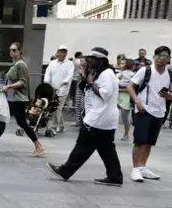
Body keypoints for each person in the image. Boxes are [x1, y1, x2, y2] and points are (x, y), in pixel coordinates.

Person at [46, 47, 123, 186]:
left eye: (92, 59)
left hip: (99, 118)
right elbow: (84, 88)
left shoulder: (107, 74)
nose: (89, 61)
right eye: (89, 58)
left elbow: (105, 94)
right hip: (101, 118)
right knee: (106, 149)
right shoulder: (97, 73)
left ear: (101, 60)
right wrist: (84, 76)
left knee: (83, 145)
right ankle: (115, 176)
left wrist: (91, 82)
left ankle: (66, 170)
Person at [0, 42, 46, 156]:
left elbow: (22, 82)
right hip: (12, 98)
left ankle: (39, 146)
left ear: (20, 51)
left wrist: (9, 87)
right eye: (11, 50)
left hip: (18, 99)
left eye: (14, 50)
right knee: (5, 120)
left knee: (19, 122)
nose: (12, 52)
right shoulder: (15, 64)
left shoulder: (21, 65)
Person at [127, 45, 172, 182]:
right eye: (158, 56)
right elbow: (130, 86)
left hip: (160, 111)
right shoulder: (145, 70)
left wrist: (169, 96)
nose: (161, 59)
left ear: (168, 59)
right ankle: (135, 169)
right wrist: (137, 101)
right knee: (140, 140)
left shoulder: (171, 74)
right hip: (144, 109)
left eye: (165, 56)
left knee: (149, 142)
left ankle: (143, 167)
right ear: (154, 57)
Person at [43, 46, 73, 133]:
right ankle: (62, 125)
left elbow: (69, 76)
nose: (62, 54)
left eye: (64, 52)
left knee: (57, 108)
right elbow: (48, 73)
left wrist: (63, 84)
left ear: (66, 54)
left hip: (62, 90)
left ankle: (54, 126)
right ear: (57, 52)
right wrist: (47, 82)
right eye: (60, 52)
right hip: (52, 89)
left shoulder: (69, 64)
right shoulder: (52, 63)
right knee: (55, 108)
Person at [116, 57, 135, 141]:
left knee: (125, 118)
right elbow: (115, 80)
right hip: (118, 96)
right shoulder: (121, 72)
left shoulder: (132, 74)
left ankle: (126, 134)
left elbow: (133, 86)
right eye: (120, 63)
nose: (120, 65)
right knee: (114, 115)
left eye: (122, 63)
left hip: (126, 97)